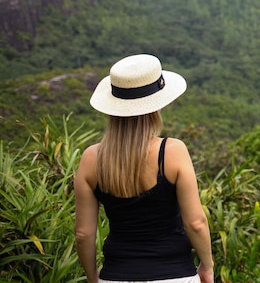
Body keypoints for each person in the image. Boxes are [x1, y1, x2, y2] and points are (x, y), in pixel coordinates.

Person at [75, 54, 214, 283]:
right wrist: (206, 267)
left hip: (115, 276)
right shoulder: (172, 151)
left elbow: (83, 234)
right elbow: (196, 223)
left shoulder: (91, 158)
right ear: (156, 106)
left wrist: (93, 277)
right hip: (176, 275)